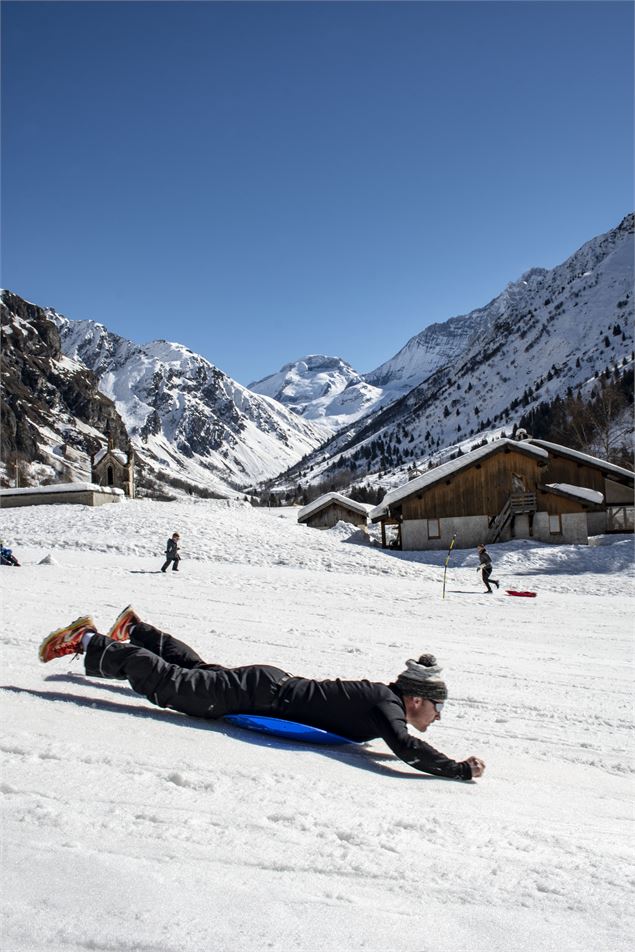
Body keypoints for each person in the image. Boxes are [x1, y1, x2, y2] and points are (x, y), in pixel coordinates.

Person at [38, 607, 486, 782]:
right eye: (437, 707)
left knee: (196, 674)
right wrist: (459, 769)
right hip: (262, 693)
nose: (439, 716)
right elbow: (407, 749)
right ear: (416, 699)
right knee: (173, 687)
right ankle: (88, 642)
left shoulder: (384, 700)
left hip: (266, 686)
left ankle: (136, 630)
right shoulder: (386, 705)